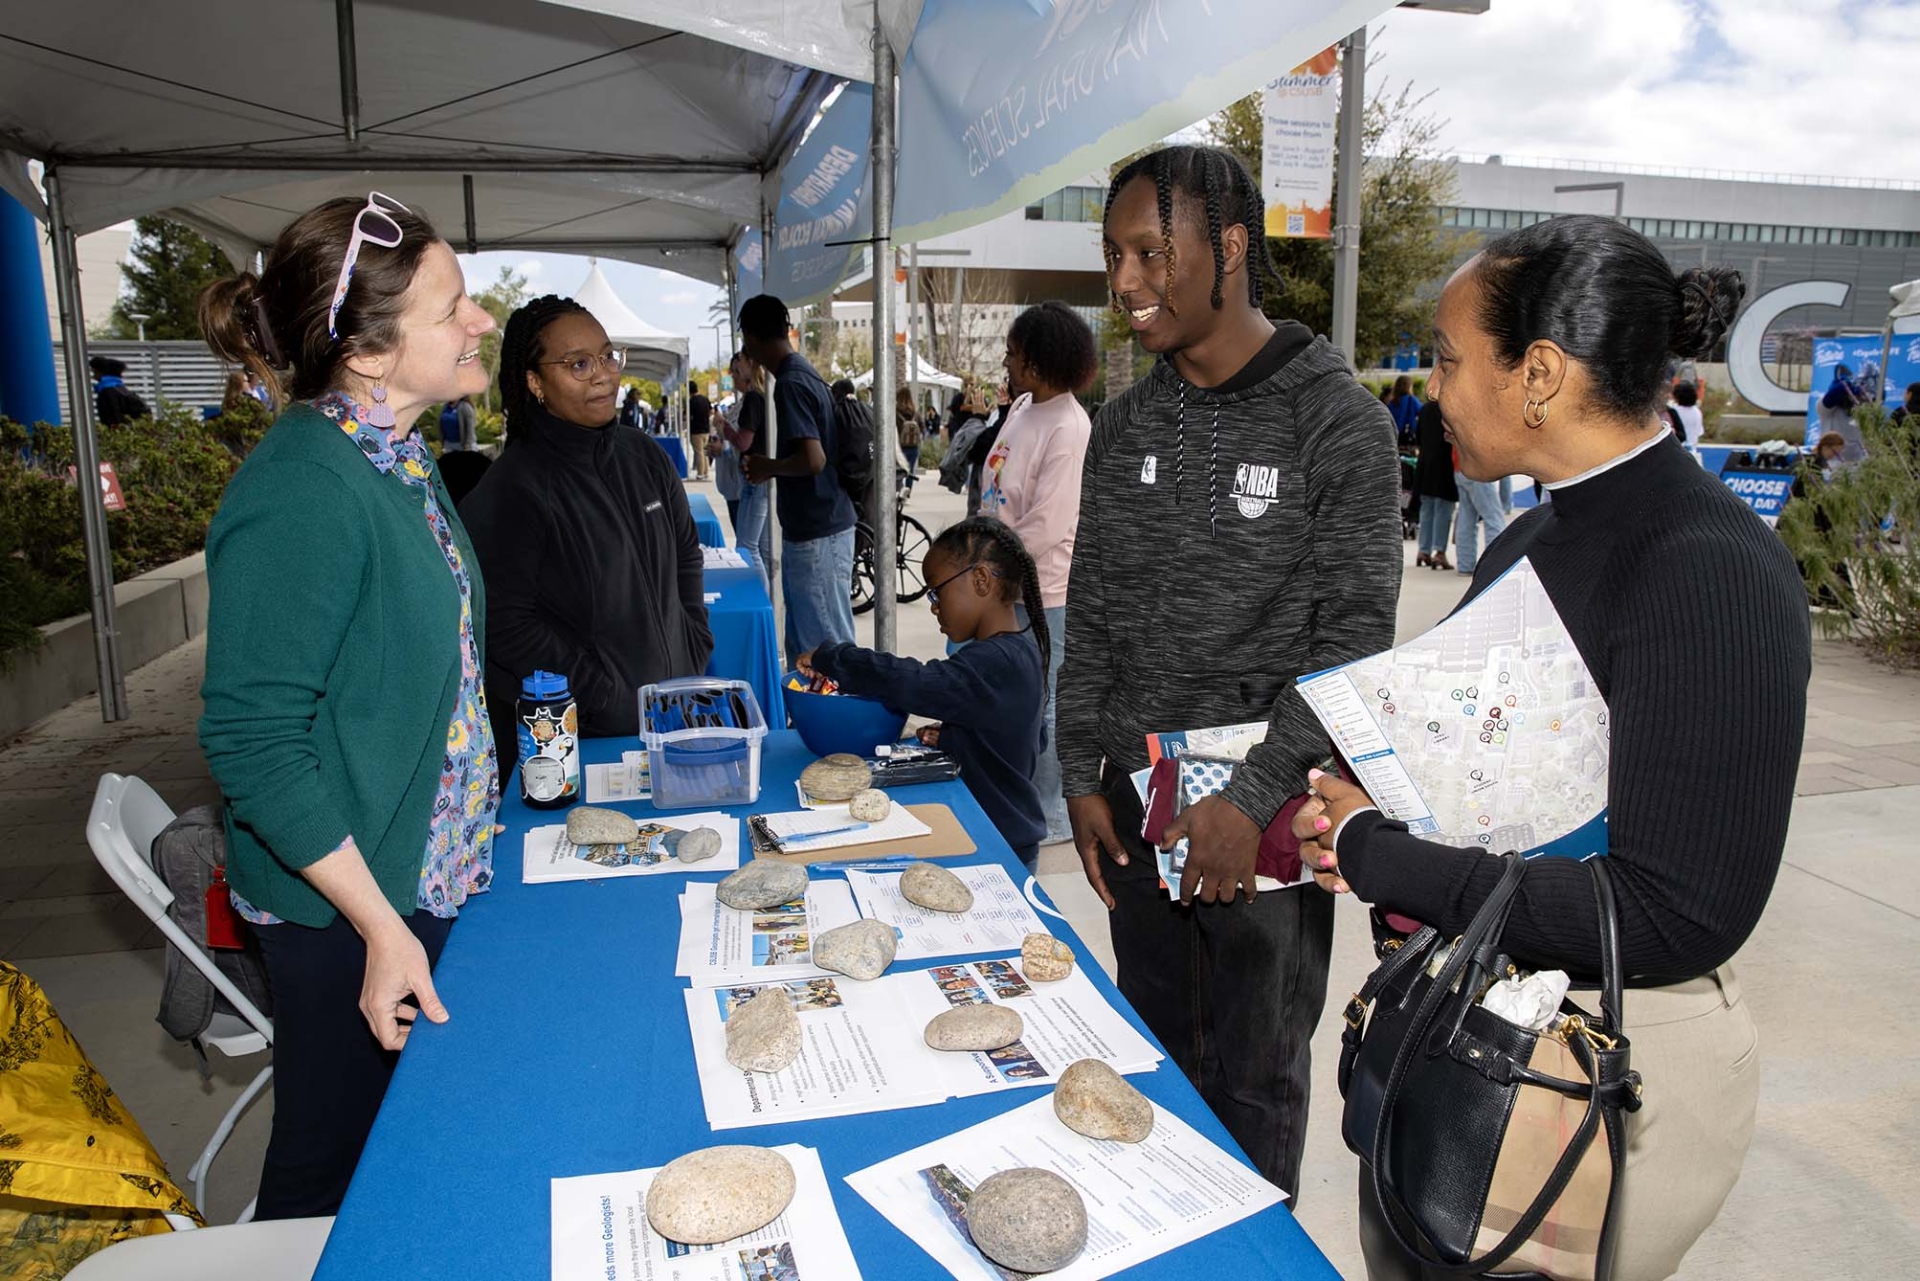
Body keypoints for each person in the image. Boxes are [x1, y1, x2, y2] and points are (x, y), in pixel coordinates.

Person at [1297, 215, 1807, 1281]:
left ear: (1537, 373)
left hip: (1601, 1067)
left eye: (1446, 357)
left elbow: (1672, 911)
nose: (1433, 389)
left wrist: (1373, 853)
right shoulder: (1536, 533)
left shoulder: (1709, 570)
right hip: (1475, 1026)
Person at [1059, 145, 1401, 1194]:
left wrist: (1252, 798)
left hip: (1263, 838)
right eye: (1114, 254)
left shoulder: (1336, 421)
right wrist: (1080, 772)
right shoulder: (1121, 427)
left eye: (1152, 252)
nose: (1125, 283)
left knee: (1252, 1093)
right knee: (1152, 1087)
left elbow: (1352, 639)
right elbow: (1096, 614)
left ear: (1233, 248)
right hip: (1140, 821)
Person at [196, 192, 500, 1217]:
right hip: (346, 911)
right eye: (453, 306)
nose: (481, 321)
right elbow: (251, 742)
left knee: (410, 1149)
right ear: (369, 355)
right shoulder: (302, 489)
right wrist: (380, 928)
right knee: (330, 1172)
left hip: (418, 875)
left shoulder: (395, 453)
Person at [460, 296, 713, 783]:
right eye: (578, 364)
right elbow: (506, 624)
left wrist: (693, 643)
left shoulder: (645, 455)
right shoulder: (512, 488)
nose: (603, 374)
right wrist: (603, 694)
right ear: (535, 382)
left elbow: (685, 556)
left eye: (606, 356)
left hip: (674, 722)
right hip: (581, 748)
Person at [797, 516, 1047, 865]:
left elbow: (914, 682)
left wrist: (834, 657)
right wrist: (957, 737)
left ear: (980, 581)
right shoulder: (1020, 649)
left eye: (936, 591)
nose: (933, 605)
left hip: (999, 844)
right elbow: (1031, 738)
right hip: (1002, 833)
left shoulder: (995, 662)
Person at [978, 300, 1097, 846]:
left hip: (1042, 592)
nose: (1007, 361)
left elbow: (1049, 523)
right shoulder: (1023, 406)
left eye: (1015, 353)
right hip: (1001, 581)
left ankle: (1049, 815)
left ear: (1041, 359)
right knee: (1011, 700)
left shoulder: (1070, 427)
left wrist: (989, 568)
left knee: (1045, 702)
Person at [738, 294, 857, 664]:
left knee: (825, 654)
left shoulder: (790, 382)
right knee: (811, 650)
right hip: (820, 530)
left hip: (818, 533)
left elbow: (813, 459)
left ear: (752, 338)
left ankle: (841, 722)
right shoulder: (804, 372)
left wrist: (766, 466)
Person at [714, 351, 775, 591]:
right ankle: (770, 602)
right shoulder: (763, 397)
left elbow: (743, 443)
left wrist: (724, 428)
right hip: (762, 478)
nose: (734, 373)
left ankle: (760, 599)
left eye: (738, 368)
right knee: (765, 548)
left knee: (748, 546)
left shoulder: (753, 399)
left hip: (754, 478)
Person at [1413, 397, 1456, 569]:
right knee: (1443, 510)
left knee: (1427, 509)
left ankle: (1423, 550)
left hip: (1425, 464)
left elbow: (1419, 435)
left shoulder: (1425, 409)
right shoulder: (1451, 407)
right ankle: (1439, 551)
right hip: (1445, 464)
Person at [1452, 447, 1509, 576]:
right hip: (1479, 467)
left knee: (1466, 518)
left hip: (1460, 466)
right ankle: (1494, 565)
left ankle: (1465, 565)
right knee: (1494, 518)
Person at [89, 355, 149, 425]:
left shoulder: (107, 392)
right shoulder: (121, 390)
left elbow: (112, 420)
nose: (93, 376)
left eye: (95, 372)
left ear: (102, 373)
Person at [1384, 374, 1422, 449]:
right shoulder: (1412, 400)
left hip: (1393, 436)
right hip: (1408, 435)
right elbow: (1423, 412)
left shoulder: (1390, 402)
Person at [687, 378, 712, 480]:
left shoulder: (691, 401)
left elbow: (687, 416)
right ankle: (706, 472)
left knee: (699, 452)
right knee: (705, 452)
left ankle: (700, 473)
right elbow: (711, 412)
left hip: (696, 431)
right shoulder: (705, 399)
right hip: (706, 430)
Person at [1671, 380, 1705, 449]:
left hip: (1676, 450)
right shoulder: (1697, 412)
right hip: (1692, 450)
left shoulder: (1673, 411)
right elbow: (1699, 432)